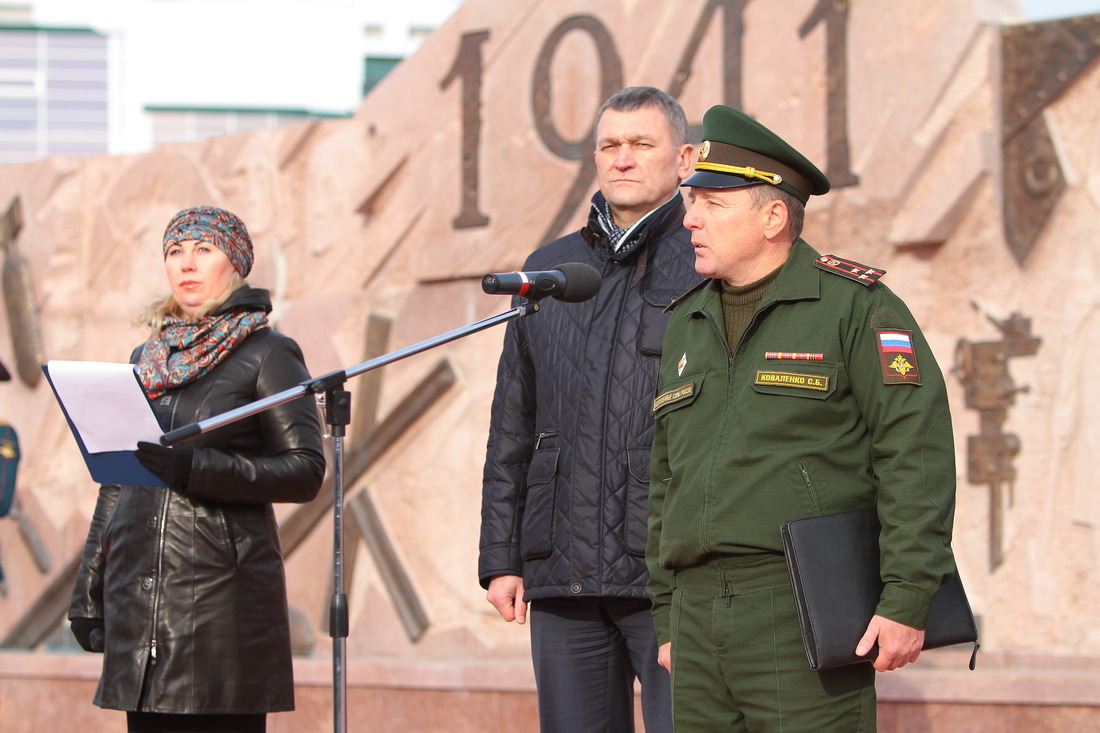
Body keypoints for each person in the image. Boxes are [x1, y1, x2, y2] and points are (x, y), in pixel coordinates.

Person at [646, 105, 958, 731]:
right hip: (699, 618)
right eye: (692, 202)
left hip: (802, 604)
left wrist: (906, 597)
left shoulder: (854, 308)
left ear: (773, 215)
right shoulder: (687, 320)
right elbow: (664, 477)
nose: (690, 219)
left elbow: (915, 456)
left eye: (712, 203)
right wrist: (667, 614)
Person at [478, 86, 701, 733]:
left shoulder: (707, 259)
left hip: (670, 570)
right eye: (610, 145)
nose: (623, 159)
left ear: (682, 159)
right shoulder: (549, 269)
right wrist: (502, 555)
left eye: (641, 144)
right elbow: (512, 421)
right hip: (562, 570)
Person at [68, 205, 326, 733]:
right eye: (174, 251)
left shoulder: (269, 353)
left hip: (219, 606)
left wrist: (195, 468)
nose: (186, 263)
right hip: (141, 601)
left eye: (203, 250)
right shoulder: (148, 355)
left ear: (235, 263)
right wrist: (89, 587)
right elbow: (118, 476)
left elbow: (304, 470)